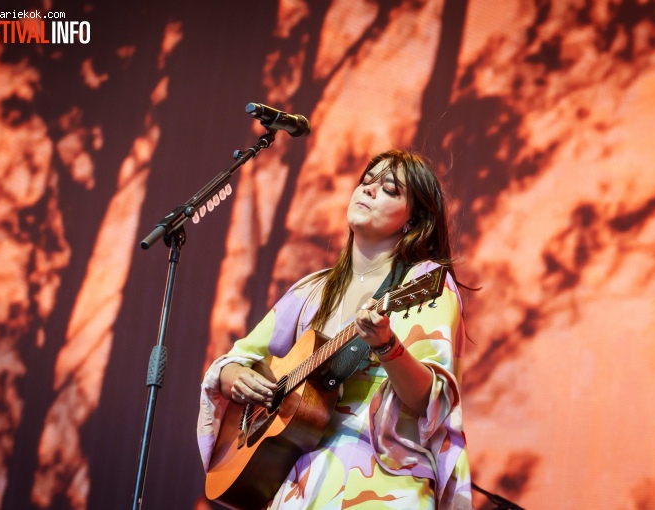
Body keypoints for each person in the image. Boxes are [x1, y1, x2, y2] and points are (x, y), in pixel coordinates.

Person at [198, 149, 472, 509]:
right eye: (367, 181)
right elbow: (238, 359)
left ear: (414, 220)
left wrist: (387, 346)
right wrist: (234, 376)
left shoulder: (423, 284)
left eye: (390, 189)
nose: (369, 191)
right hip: (300, 487)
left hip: (385, 485)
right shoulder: (312, 290)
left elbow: (429, 400)